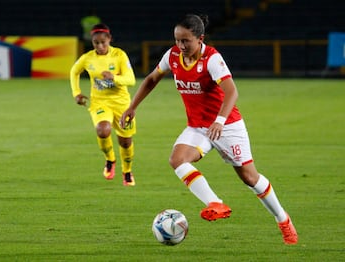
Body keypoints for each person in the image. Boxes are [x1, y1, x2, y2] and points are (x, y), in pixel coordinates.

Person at [120, 14, 298, 244]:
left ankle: (283, 219)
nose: (181, 46)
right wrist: (132, 107)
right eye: (177, 40)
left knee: (250, 178)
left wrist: (219, 121)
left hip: (227, 126)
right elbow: (152, 79)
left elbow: (232, 91)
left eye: (186, 41)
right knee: (177, 159)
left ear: (200, 39)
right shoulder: (173, 55)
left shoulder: (212, 59)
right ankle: (215, 203)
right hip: (198, 127)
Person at [70, 23, 136, 186]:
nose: (99, 46)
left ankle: (127, 171)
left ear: (109, 40)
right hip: (100, 102)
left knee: (125, 142)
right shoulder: (88, 58)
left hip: (121, 104)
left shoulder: (119, 55)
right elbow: (74, 71)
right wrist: (76, 93)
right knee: (102, 130)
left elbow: (131, 80)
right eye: (96, 43)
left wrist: (114, 78)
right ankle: (110, 160)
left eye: (103, 42)